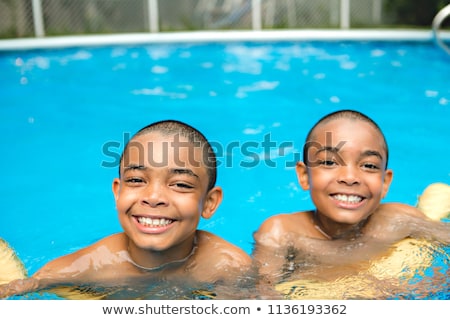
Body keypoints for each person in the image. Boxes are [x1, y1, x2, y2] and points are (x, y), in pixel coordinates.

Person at [0, 120, 252, 299]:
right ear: (117, 192)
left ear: (209, 203)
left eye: (180, 184)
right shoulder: (89, 266)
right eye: (136, 180)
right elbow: (20, 292)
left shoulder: (227, 266)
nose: (153, 197)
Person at [252, 109, 450, 299]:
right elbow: (260, 294)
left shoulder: (397, 220)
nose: (349, 177)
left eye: (369, 166)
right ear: (304, 176)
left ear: (385, 183)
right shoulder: (283, 233)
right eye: (329, 163)